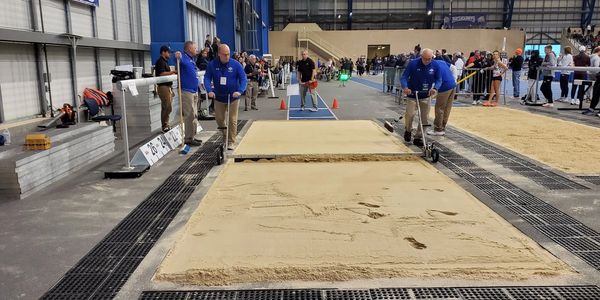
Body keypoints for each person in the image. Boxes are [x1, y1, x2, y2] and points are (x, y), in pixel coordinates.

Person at [203, 44, 247, 150]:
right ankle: (225, 134)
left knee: (232, 119)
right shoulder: (212, 65)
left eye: (228, 54)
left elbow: (243, 79)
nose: (227, 56)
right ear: (219, 54)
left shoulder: (236, 65)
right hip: (219, 97)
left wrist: (240, 91)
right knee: (219, 119)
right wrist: (209, 90)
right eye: (224, 54)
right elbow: (207, 78)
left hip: (233, 97)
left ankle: (231, 141)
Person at [400, 48, 443, 147]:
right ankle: (408, 130)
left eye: (429, 59)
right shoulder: (413, 63)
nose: (427, 61)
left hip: (426, 95)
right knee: (410, 114)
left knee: (425, 118)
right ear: (421, 57)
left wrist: (435, 88)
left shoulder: (435, 65)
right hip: (412, 94)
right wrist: (405, 87)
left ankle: (418, 137)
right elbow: (404, 77)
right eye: (425, 59)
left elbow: (439, 79)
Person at [174, 41, 202, 146]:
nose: (196, 50)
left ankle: (192, 136)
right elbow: (177, 58)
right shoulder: (183, 58)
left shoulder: (191, 60)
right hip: (186, 91)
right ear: (189, 48)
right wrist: (177, 55)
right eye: (195, 48)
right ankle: (188, 138)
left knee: (194, 115)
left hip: (194, 91)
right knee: (189, 115)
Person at [427, 59, 457, 136]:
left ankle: (438, 129)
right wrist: (454, 80)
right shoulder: (441, 61)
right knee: (447, 108)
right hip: (452, 85)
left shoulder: (430, 66)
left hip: (444, 87)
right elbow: (454, 67)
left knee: (439, 108)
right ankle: (442, 127)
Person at [154, 45, 177, 133]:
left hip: (167, 87)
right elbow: (161, 73)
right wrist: (172, 72)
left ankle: (166, 124)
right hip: (163, 86)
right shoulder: (160, 62)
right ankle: (164, 125)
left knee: (168, 107)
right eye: (168, 52)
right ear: (163, 52)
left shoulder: (165, 61)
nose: (170, 54)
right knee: (166, 107)